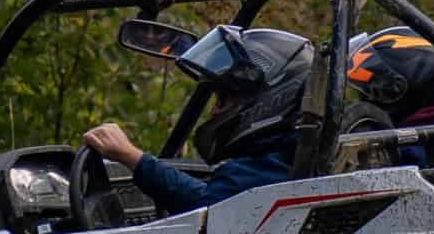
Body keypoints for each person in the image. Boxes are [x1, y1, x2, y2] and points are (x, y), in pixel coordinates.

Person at [80, 21, 313, 215]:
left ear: (271, 100)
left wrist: (131, 157)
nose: (213, 112)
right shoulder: (295, 156)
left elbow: (205, 209)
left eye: (223, 100)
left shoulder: (267, 168)